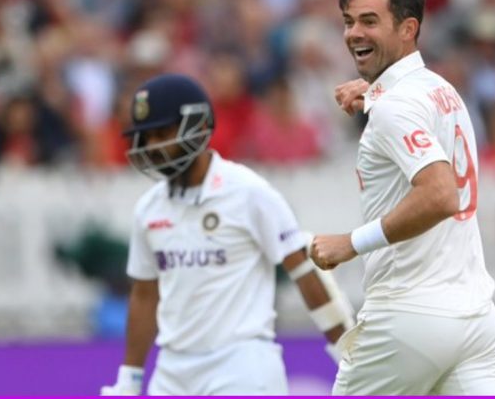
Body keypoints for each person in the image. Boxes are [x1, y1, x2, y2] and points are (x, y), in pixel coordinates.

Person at [309, 0, 495, 395]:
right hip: (476, 319)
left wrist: (350, 242)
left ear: (408, 28)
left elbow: (440, 195)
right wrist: (373, 93)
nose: (354, 33)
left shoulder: (395, 106)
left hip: (409, 315)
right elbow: (404, 110)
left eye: (369, 21)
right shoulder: (440, 88)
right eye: (349, 21)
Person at [101, 74, 354, 395]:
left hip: (242, 363)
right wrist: (130, 377)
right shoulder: (148, 210)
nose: (152, 147)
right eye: (145, 137)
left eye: (162, 133)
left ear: (198, 126)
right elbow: (144, 295)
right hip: (173, 370)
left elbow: (303, 271)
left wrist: (347, 356)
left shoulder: (248, 193)